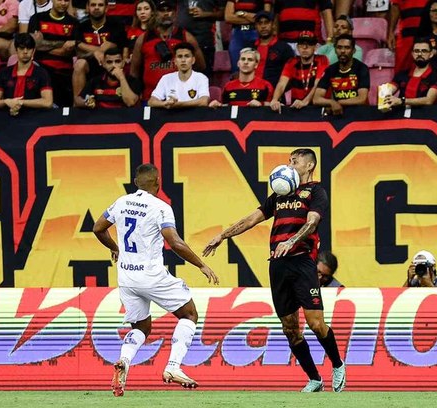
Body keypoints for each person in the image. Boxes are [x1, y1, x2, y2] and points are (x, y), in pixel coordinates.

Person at [203, 148, 345, 393]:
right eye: (289, 160)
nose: (290, 164)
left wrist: (291, 241)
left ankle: (337, 364)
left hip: (301, 262)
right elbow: (251, 219)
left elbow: (312, 222)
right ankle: (314, 378)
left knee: (316, 323)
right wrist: (222, 236)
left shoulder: (316, 191)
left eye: (295, 160)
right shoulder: (279, 194)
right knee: (290, 327)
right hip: (278, 265)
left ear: (309, 165)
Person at [93, 163, 219, 397]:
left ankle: (124, 360)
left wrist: (116, 248)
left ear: (135, 182)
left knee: (141, 326)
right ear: (158, 182)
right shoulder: (160, 207)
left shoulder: (121, 202)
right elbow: (175, 242)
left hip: (127, 277)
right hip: (151, 275)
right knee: (189, 314)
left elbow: (98, 228)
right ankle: (173, 367)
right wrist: (201, 264)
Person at [130, 0, 206, 101]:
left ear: (175, 13)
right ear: (155, 13)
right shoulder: (143, 39)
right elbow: (134, 72)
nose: (166, 14)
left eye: (169, 10)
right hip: (150, 98)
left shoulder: (186, 37)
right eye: (162, 10)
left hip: (180, 99)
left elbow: (200, 66)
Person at [72, 0, 127, 101]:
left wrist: (88, 48)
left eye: (100, 5)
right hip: (89, 66)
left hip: (111, 64)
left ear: (106, 8)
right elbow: (79, 52)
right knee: (79, 64)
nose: (96, 8)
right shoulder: (81, 26)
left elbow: (112, 46)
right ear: (87, 7)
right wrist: (96, 51)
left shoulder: (116, 25)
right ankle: (78, 102)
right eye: (93, 5)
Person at [28, 0, 79, 107]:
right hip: (41, 68)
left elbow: (71, 51)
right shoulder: (37, 18)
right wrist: (62, 44)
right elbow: (34, 45)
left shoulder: (74, 23)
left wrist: (44, 44)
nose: (63, 3)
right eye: (60, 0)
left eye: (66, 0)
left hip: (64, 72)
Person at [0, 33, 53, 115]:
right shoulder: (4, 73)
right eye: (22, 48)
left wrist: (20, 102)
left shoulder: (42, 73)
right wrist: (6, 102)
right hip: (7, 116)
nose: (25, 52)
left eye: (29, 48)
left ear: (33, 51)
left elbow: (48, 102)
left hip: (34, 116)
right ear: (16, 50)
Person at [270, 30, 329, 112]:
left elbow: (317, 84)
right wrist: (275, 99)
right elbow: (282, 83)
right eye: (301, 44)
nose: (305, 47)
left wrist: (305, 101)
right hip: (296, 107)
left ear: (315, 47)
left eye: (309, 44)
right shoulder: (291, 62)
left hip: (315, 107)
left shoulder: (322, 60)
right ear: (297, 47)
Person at [313, 34, 370, 116]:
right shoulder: (330, 70)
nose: (343, 51)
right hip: (338, 114)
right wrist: (331, 102)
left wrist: (338, 102)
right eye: (339, 47)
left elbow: (361, 99)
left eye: (347, 48)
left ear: (353, 50)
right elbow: (316, 99)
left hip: (359, 114)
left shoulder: (362, 68)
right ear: (335, 50)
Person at [382, 39, 437, 109]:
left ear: (431, 54)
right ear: (412, 53)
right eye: (416, 51)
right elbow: (387, 90)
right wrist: (384, 94)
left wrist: (402, 101)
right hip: (401, 115)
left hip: (425, 117)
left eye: (424, 51)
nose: (420, 54)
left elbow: (429, 101)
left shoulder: (436, 76)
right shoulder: (402, 74)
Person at [75, 47, 142, 108]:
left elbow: (130, 102)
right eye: (109, 62)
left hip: (124, 119)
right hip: (100, 118)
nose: (114, 65)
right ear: (104, 64)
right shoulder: (95, 81)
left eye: (117, 61)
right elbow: (78, 100)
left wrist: (121, 78)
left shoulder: (133, 81)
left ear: (123, 63)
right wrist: (86, 102)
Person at [148, 42, 209, 109]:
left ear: (193, 60)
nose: (183, 60)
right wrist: (164, 103)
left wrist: (178, 105)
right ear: (175, 61)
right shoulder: (166, 78)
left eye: (187, 56)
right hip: (171, 117)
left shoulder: (201, 78)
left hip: (193, 117)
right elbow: (151, 101)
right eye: (180, 56)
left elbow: (204, 101)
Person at [208, 47, 273, 107]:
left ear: (256, 65)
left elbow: (272, 106)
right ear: (238, 63)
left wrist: (261, 104)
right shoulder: (228, 86)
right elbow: (225, 107)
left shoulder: (265, 86)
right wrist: (217, 105)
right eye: (243, 59)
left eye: (250, 60)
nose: (246, 62)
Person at [250, 11, 294, 87]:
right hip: (251, 91)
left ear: (273, 25)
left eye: (266, 22)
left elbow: (290, 74)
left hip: (275, 93)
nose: (263, 26)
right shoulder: (250, 48)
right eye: (260, 23)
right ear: (256, 26)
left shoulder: (284, 48)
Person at [224, 0, 272, 69]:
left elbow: (266, 17)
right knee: (237, 66)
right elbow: (228, 17)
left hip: (255, 32)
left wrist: (243, 14)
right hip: (238, 33)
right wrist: (252, 18)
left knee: (256, 65)